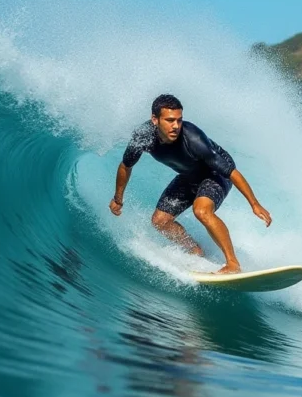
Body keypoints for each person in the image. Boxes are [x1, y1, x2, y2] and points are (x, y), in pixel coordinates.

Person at [109, 94, 271, 274]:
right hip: (189, 176)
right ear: (155, 119)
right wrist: (118, 198)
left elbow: (231, 172)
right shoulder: (143, 137)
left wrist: (254, 204)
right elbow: (126, 166)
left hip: (215, 174)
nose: (176, 126)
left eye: (179, 120)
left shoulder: (193, 138)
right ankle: (195, 250)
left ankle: (233, 264)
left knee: (201, 210)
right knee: (160, 221)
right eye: (170, 120)